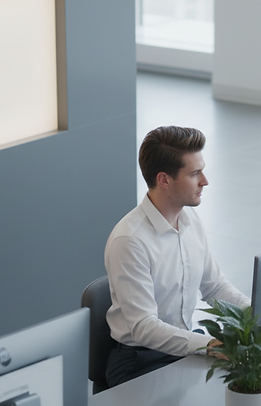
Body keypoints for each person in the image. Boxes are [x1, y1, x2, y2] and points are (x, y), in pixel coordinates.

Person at [104, 126, 249, 387]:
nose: (205, 181)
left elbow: (214, 285)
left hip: (182, 345)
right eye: (194, 174)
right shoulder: (129, 241)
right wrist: (211, 345)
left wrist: (256, 313)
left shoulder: (189, 219)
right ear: (164, 180)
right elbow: (144, 327)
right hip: (140, 362)